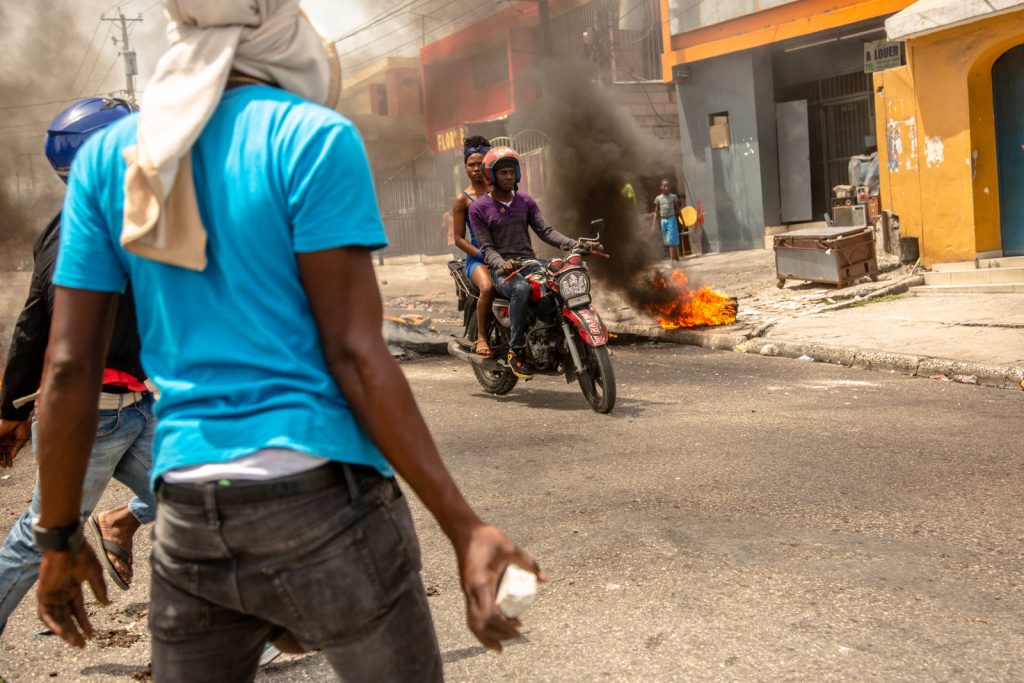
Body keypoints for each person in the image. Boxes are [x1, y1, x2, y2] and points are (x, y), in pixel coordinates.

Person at [30, 3, 542, 681]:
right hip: (328, 503)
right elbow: (355, 353)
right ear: (274, 24)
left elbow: (68, 369)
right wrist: (464, 526)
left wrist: (58, 535)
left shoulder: (108, 160)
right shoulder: (310, 137)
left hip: (191, 517)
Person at [0, 97, 157, 638]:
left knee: (206, 500)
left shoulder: (114, 218)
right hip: (95, 415)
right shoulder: (86, 229)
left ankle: (245, 633)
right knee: (40, 536)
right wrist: (13, 410)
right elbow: (39, 327)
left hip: (134, 409)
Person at [469, 146, 584, 380]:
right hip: (502, 270)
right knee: (521, 288)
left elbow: (546, 231)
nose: (509, 177)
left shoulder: (525, 201)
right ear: (491, 176)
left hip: (529, 261)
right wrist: (501, 263)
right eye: (503, 173)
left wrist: (574, 243)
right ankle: (517, 349)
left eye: (511, 172)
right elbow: (487, 248)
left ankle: (569, 340)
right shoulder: (479, 208)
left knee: (564, 279)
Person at [451, 135, 495, 357]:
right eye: (471, 165)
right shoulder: (463, 199)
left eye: (480, 163)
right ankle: (482, 337)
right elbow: (459, 239)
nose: (476, 169)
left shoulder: (501, 192)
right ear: (465, 167)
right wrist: (484, 256)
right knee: (487, 287)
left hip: (506, 255)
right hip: (478, 259)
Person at [652, 179, 682, 261]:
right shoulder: (658, 198)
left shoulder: (673, 196)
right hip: (663, 221)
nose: (666, 187)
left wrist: (683, 221)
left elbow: (678, 209)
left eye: (668, 186)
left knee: (671, 241)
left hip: (671, 219)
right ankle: (677, 260)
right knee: (669, 242)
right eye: (664, 186)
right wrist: (653, 224)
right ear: (661, 187)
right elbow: (656, 212)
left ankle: (672, 262)